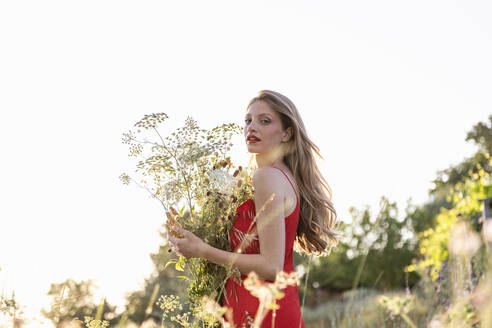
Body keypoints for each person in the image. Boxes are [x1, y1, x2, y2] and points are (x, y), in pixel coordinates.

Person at [168, 90, 338, 327]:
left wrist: (202, 250)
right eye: (248, 120)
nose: (252, 127)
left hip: (260, 309)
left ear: (287, 133)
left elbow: (271, 266)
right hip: (268, 306)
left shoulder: (267, 177)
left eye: (264, 121)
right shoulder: (279, 178)